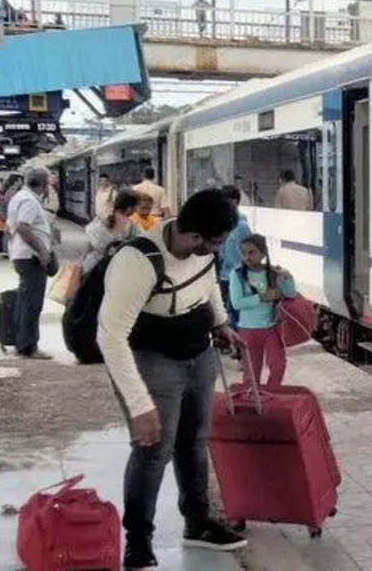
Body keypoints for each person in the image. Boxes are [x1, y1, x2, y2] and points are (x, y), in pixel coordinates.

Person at [96, 189, 248, 570]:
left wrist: (221, 323)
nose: (219, 250)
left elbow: (208, 283)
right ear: (194, 236)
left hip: (200, 355)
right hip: (155, 361)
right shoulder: (138, 261)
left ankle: (197, 523)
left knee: (193, 443)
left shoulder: (204, 252)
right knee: (152, 450)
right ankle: (138, 541)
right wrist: (139, 404)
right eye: (216, 242)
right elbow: (110, 337)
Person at [229, 234, 295, 388]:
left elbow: (290, 294)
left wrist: (287, 276)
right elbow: (237, 303)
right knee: (251, 372)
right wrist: (262, 297)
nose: (247, 257)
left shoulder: (272, 272)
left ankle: (272, 393)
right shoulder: (237, 274)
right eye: (243, 253)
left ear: (263, 253)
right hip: (247, 330)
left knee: (278, 365)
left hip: (271, 327)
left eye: (252, 252)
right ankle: (253, 398)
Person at [6, 168, 55, 359]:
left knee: (25, 300)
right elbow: (23, 227)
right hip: (31, 257)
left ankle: (22, 342)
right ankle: (29, 346)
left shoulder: (19, 197)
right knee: (32, 303)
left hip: (22, 255)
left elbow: (11, 228)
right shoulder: (29, 201)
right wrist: (42, 250)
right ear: (43, 184)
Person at [81, 189, 140, 275]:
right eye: (135, 207)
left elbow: (88, 244)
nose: (136, 210)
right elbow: (138, 241)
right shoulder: (129, 224)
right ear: (129, 208)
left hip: (91, 266)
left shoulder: (100, 218)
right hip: (114, 268)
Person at [216, 186, 251, 324]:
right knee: (224, 311)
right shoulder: (221, 223)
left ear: (234, 202)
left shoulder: (241, 226)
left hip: (237, 274)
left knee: (234, 312)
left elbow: (249, 250)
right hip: (223, 274)